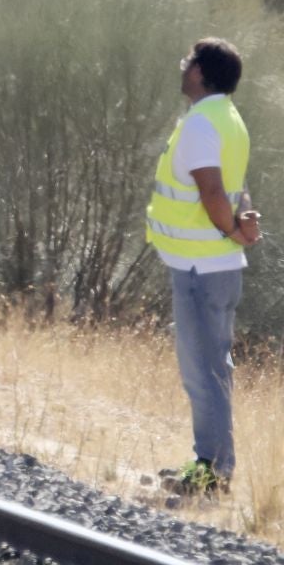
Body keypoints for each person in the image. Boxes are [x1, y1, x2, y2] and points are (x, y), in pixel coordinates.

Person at [147, 37, 262, 499]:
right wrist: (243, 223)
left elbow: (213, 193)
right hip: (214, 268)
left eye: (187, 61)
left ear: (199, 73)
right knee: (213, 368)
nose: (182, 67)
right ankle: (212, 467)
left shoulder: (200, 123)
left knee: (203, 372)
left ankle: (211, 474)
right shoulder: (228, 118)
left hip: (201, 268)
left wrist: (234, 229)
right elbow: (237, 188)